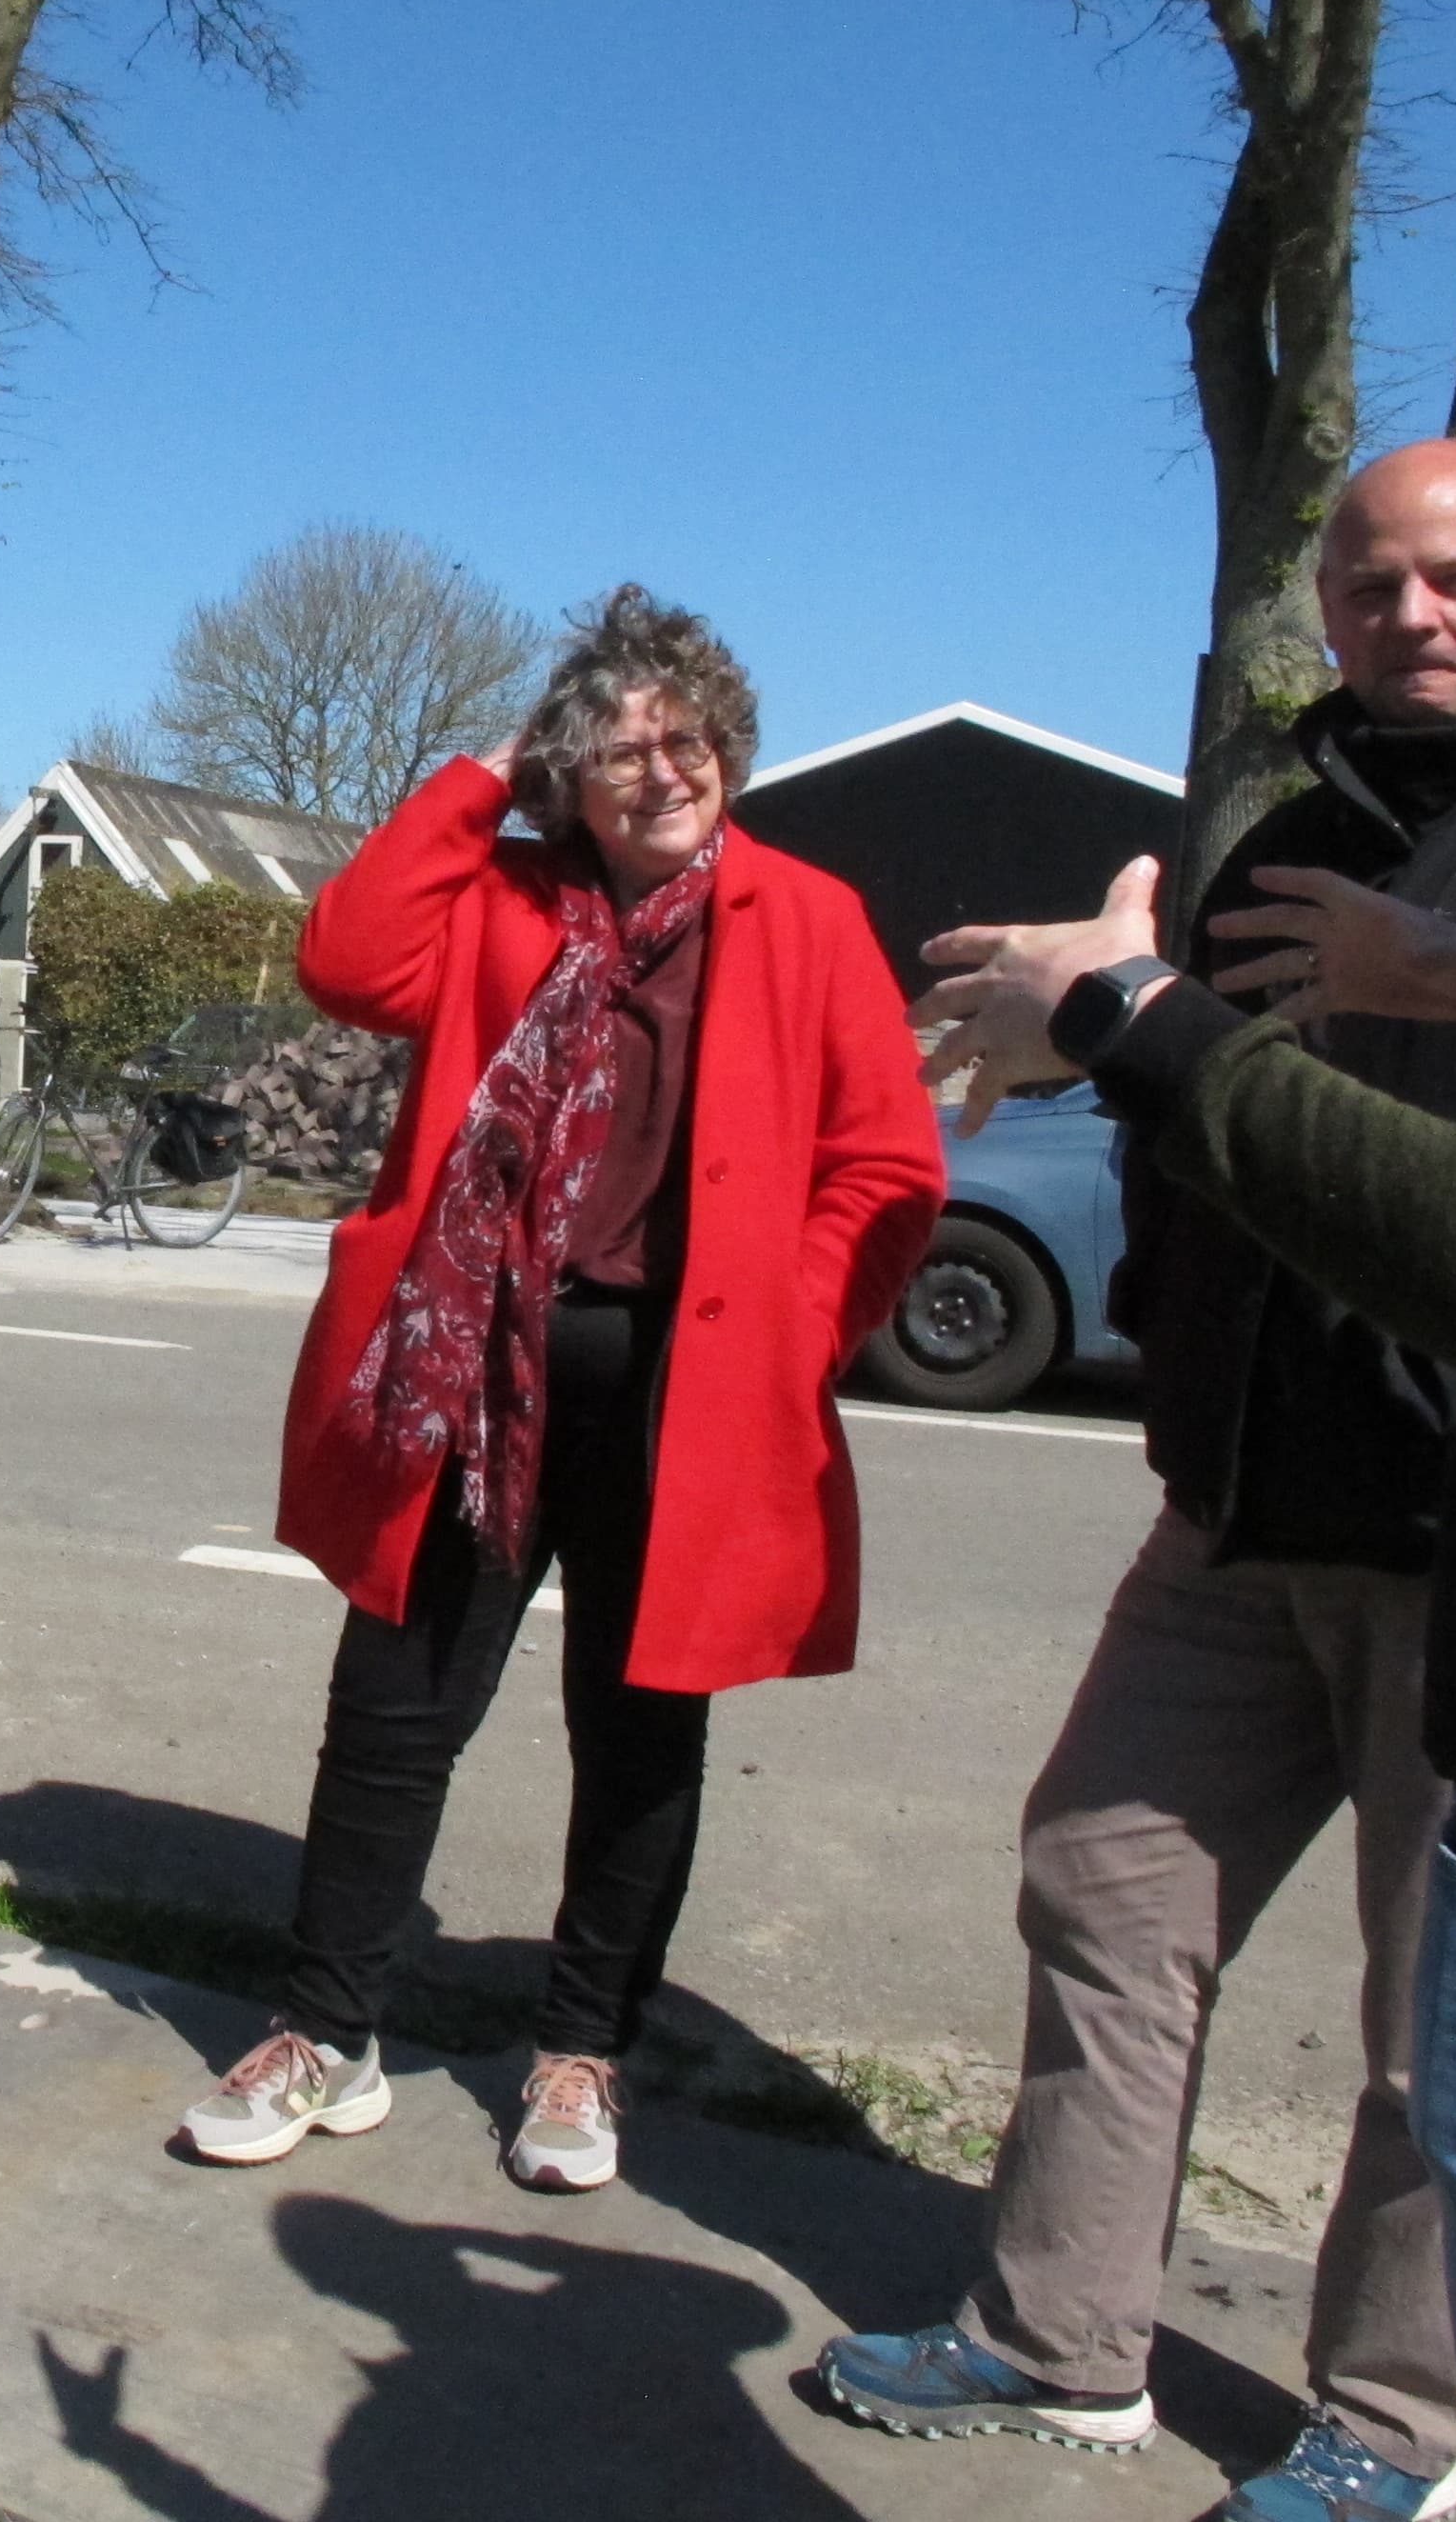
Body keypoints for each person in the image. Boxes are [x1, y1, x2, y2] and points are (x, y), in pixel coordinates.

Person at [823, 437, 1456, 2522]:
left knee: (1447, 2028)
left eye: (1451, 580)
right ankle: (1058, 2339)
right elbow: (1190, 1111)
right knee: (1101, 1878)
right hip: (1239, 1502)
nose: (1407, 619)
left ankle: (1401, 2427)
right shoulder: (1280, 830)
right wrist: (1096, 1066)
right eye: (1366, 587)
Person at [183, 587, 941, 2189]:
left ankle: (584, 2053)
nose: (659, 772)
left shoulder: (806, 917)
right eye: (615, 752)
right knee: (393, 1711)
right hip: (473, 1365)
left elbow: (885, 1166)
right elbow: (342, 959)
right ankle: (330, 2033)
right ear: (569, 779)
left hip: (693, 1389)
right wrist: (483, 777)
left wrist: (792, 1335)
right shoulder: (506, 898)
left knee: (642, 1724)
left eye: (685, 741)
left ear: (728, 751)